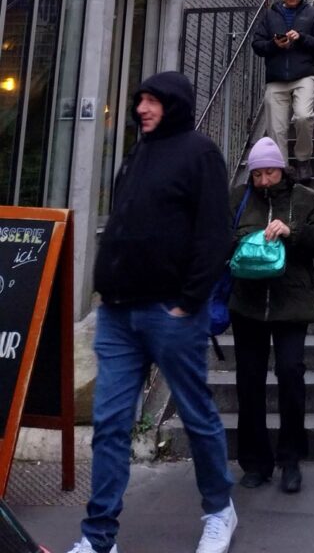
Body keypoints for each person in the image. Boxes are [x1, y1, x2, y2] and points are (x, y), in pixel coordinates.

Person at [67, 72, 236, 553]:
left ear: (174, 104)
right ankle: (98, 538)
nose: (141, 107)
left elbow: (213, 234)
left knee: (198, 416)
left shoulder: (200, 154)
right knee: (110, 425)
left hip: (171, 313)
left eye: (151, 100)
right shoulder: (137, 155)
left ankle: (219, 509)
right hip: (118, 315)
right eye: (139, 99)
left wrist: (190, 299)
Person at [230, 136, 314, 495]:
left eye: (270, 173)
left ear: (282, 169)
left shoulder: (306, 199)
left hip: (292, 305)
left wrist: (292, 233)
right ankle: (255, 462)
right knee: (249, 381)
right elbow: (218, 239)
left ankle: (291, 459)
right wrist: (249, 245)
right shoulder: (239, 200)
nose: (263, 181)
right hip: (247, 305)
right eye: (257, 174)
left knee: (291, 375)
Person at [252, 0, 314, 187]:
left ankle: (303, 159)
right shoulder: (270, 15)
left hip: (304, 74)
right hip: (276, 77)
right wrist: (273, 45)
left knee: (304, 116)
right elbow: (257, 45)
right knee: (276, 128)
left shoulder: (313, 14)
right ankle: (282, 168)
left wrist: (302, 38)